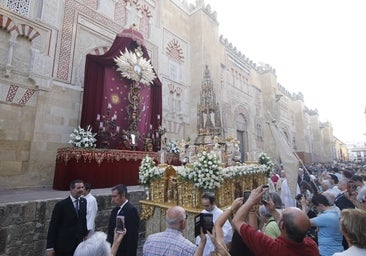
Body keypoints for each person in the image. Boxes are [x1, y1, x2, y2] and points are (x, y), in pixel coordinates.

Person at [232, 185, 319, 256]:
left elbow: (237, 221)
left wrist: (251, 200)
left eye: (282, 214)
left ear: (282, 225)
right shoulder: (311, 246)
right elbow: (287, 225)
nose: (280, 214)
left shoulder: (272, 248)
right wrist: (273, 211)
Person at [46, 179, 88, 256]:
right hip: (63, 245)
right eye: (78, 188)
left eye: (82, 187)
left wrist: (85, 235)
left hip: (78, 244)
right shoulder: (61, 205)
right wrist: (49, 247)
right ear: (71, 189)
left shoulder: (83, 202)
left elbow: (83, 220)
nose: (81, 190)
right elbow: (53, 226)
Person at [143, 206, 207, 256]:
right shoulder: (188, 248)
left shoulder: (150, 239)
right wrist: (203, 241)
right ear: (182, 223)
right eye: (186, 217)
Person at [107, 184, 139, 256]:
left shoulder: (131, 210)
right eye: (112, 196)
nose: (112, 200)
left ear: (123, 195)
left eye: (115, 196)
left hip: (124, 251)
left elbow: (132, 236)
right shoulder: (115, 210)